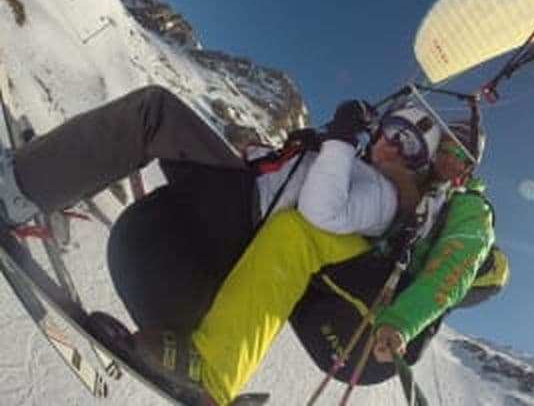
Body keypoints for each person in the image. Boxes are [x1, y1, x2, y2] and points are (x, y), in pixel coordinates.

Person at [0, 85, 442, 403]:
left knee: (154, 113)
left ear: (419, 167)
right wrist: (311, 148)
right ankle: (48, 179)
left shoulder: (384, 197)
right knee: (160, 136)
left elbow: (319, 212)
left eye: (411, 147)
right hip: (238, 215)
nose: (393, 147)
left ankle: (17, 188)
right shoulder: (351, 167)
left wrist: (341, 141)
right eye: (394, 131)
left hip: (243, 219)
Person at [289, 119, 504, 389]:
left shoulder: (471, 210)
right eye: (444, 150)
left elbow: (452, 269)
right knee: (283, 268)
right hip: (333, 305)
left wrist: (400, 324)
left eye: (460, 155)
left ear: (470, 166)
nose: (449, 159)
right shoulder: (417, 183)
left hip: (374, 337)